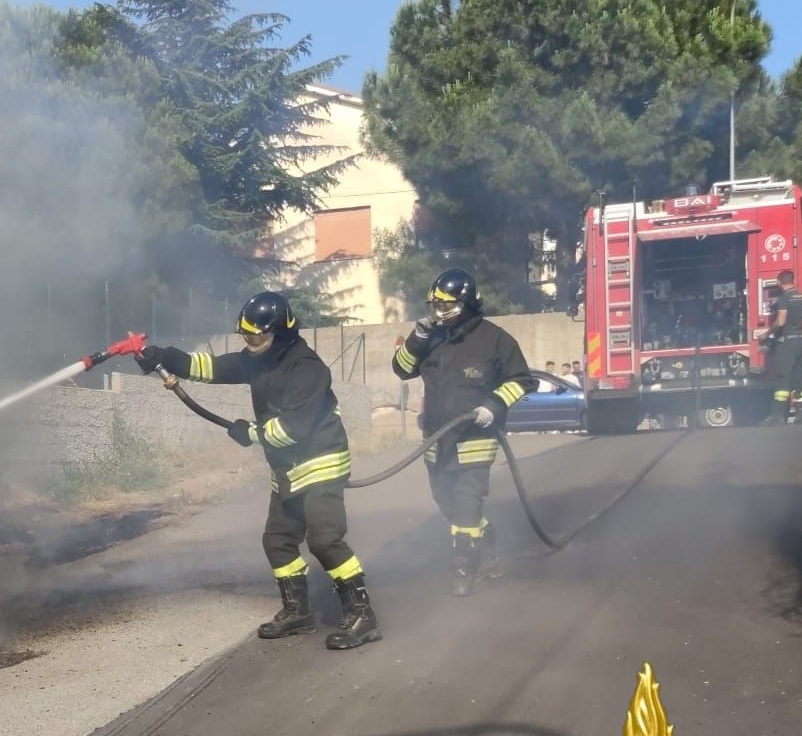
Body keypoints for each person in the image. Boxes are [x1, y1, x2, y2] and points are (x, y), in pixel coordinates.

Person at [112, 292, 381, 649]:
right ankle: (298, 611)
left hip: (320, 463)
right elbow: (212, 367)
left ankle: (361, 613)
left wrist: (249, 433)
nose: (250, 343)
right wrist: (164, 357)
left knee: (324, 540)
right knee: (278, 541)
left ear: (280, 332)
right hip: (286, 469)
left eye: (257, 336)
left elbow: (293, 430)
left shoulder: (307, 369)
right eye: (246, 337)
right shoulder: (260, 358)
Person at [392, 268, 537, 597]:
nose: (440, 312)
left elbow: (523, 380)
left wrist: (494, 405)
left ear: (467, 302)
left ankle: (462, 568)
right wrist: (417, 338)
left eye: (447, 305)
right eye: (435, 306)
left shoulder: (495, 340)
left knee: (466, 502)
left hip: (475, 440)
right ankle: (488, 546)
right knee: (446, 501)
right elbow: (401, 369)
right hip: (436, 440)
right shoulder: (433, 339)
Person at [762, 270, 802, 424]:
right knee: (798, 378)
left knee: (783, 378)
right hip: (800, 339)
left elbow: (781, 322)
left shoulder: (784, 298)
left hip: (787, 341)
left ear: (779, 282)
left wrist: (767, 332)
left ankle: (777, 416)